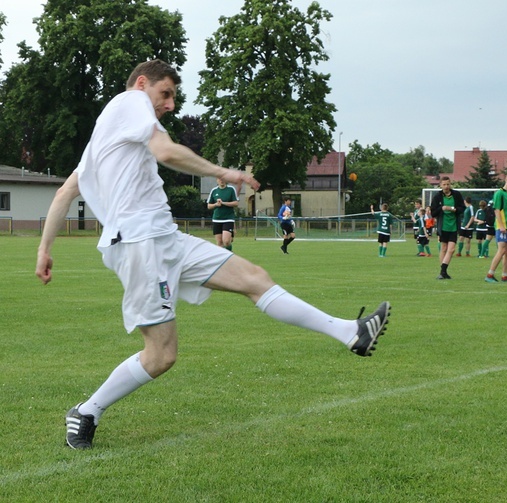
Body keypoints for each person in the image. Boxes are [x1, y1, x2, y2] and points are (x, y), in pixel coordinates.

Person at [35, 60, 391, 450]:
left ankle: (350, 333)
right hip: (140, 247)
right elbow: (166, 150)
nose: (170, 104)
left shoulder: (107, 136)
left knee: (255, 278)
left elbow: (65, 191)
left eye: (172, 96)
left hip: (165, 238)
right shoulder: (130, 102)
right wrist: (227, 172)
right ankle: (87, 411)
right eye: (165, 93)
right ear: (142, 84)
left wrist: (44, 249)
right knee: (161, 356)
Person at [429, 177, 466, 279]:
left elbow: (462, 208)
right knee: (444, 248)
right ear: (440, 185)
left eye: (448, 184)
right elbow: (433, 212)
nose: (446, 186)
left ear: (450, 184)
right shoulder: (437, 197)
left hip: (453, 226)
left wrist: (453, 209)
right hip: (443, 226)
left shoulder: (456, 195)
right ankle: (443, 272)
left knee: (452, 249)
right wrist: (442, 208)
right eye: (444, 185)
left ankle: (443, 271)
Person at [207, 177, 240, 251]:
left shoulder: (231, 189)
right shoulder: (214, 191)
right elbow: (209, 206)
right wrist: (216, 204)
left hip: (228, 219)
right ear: (217, 180)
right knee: (219, 243)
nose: (221, 180)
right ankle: (224, 260)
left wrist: (223, 203)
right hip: (217, 219)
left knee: (226, 241)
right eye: (219, 179)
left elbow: (236, 203)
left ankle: (229, 253)